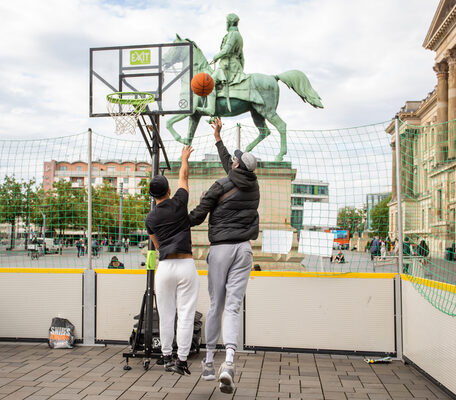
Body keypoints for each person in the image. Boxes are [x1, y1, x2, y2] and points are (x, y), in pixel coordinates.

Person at [188, 118, 259, 394]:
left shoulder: (220, 185)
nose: (233, 161)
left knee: (216, 304)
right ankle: (228, 362)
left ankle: (207, 362)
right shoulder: (253, 185)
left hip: (220, 250)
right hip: (244, 250)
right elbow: (230, 164)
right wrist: (218, 139)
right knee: (233, 306)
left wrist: (174, 221)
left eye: (236, 160)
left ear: (237, 166)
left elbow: (197, 216)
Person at [145, 145, 198, 376]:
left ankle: (166, 356)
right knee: (185, 314)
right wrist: (184, 158)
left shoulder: (150, 218)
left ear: (152, 195)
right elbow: (184, 177)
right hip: (186, 265)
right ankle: (182, 360)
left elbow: (156, 246)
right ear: (168, 189)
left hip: (165, 266)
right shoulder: (179, 202)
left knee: (165, 314)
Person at [198, 13, 245, 116]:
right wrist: (241, 70)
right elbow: (242, 57)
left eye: (227, 21)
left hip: (227, 66)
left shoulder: (233, 34)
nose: (226, 23)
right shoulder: (239, 36)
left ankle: (210, 109)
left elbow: (226, 49)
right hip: (234, 65)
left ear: (230, 22)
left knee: (210, 82)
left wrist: (216, 56)